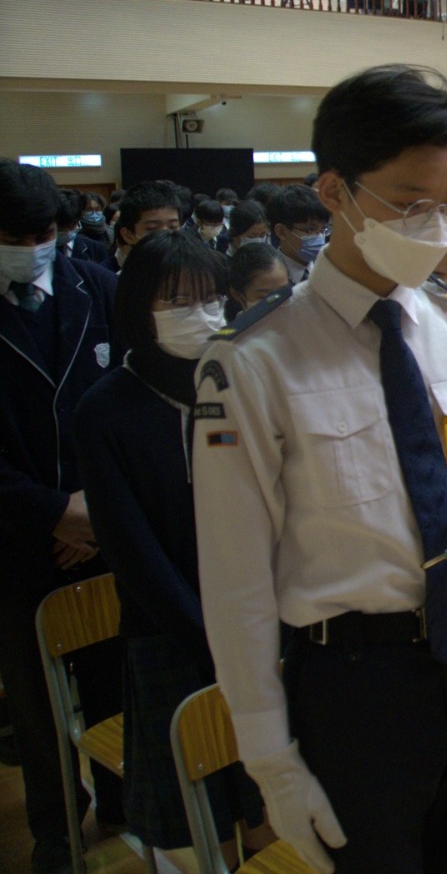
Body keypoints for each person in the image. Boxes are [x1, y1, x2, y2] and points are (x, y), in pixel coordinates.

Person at [194, 66, 447, 874]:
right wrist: (269, 757)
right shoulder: (254, 361)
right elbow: (235, 577)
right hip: (355, 681)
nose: (435, 226)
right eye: (407, 202)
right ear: (334, 191)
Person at [72, 231, 268, 861]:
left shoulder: (234, 384)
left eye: (210, 299)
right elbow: (131, 551)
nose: (200, 315)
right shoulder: (105, 410)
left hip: (259, 620)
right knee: (202, 814)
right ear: (139, 307)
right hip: (170, 631)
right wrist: (210, 637)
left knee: (269, 796)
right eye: (179, 301)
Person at [0, 158, 124, 874]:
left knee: (113, 679)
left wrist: (94, 511)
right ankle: (55, 826)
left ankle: (121, 797)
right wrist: (52, 512)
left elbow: (134, 410)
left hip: (103, 534)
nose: (32, 247)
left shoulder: (97, 288)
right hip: (18, 540)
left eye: (42, 234)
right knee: (35, 701)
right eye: (14, 238)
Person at [265, 183, 331, 285]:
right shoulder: (266, 275)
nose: (319, 237)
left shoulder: (330, 270)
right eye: (310, 229)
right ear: (281, 232)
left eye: (323, 230)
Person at [112, 181, 184, 271]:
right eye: (152, 228)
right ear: (128, 235)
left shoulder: (194, 274)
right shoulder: (121, 279)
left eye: (173, 226)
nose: (165, 235)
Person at [225, 241, 291, 320]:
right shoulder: (238, 328)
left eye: (284, 293)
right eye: (264, 297)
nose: (278, 304)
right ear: (238, 295)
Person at [56, 190, 111, 267]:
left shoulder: (96, 248)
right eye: (61, 227)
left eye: (70, 225)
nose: (65, 231)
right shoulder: (45, 249)